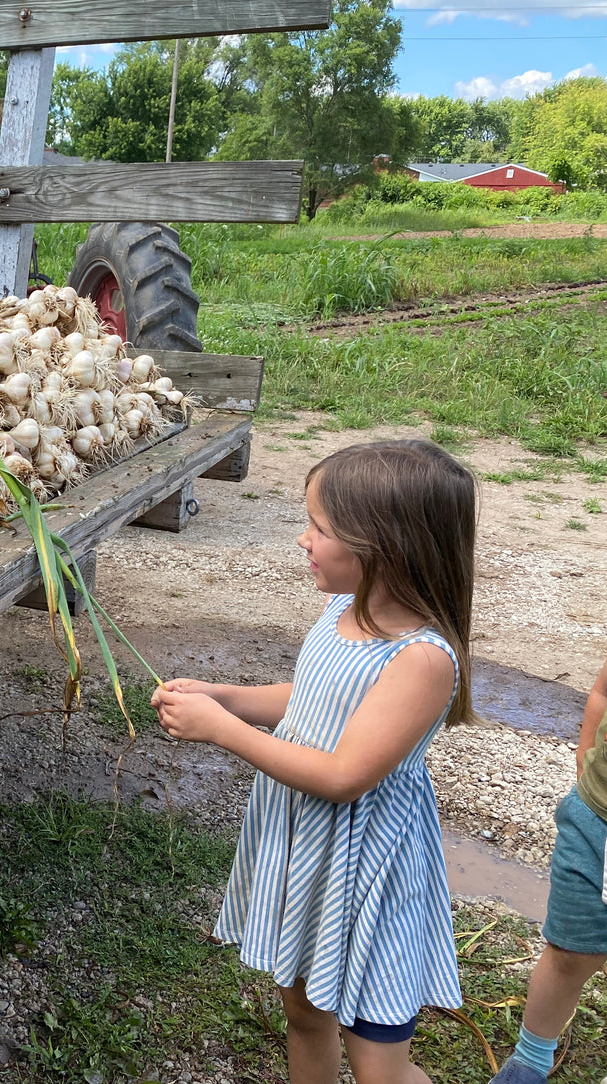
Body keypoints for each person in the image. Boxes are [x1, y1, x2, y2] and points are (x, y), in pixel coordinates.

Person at [153, 439, 476, 1084]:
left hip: (368, 868)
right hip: (311, 854)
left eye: (319, 528)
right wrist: (227, 697)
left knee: (378, 1063)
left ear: (384, 546)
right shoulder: (342, 609)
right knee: (303, 1011)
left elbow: (342, 776)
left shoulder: (422, 659)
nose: (303, 540)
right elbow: (313, 698)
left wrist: (221, 731)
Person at [487, 604, 607, 1084]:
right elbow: (602, 692)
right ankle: (530, 1060)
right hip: (592, 824)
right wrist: (583, 767)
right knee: (568, 950)